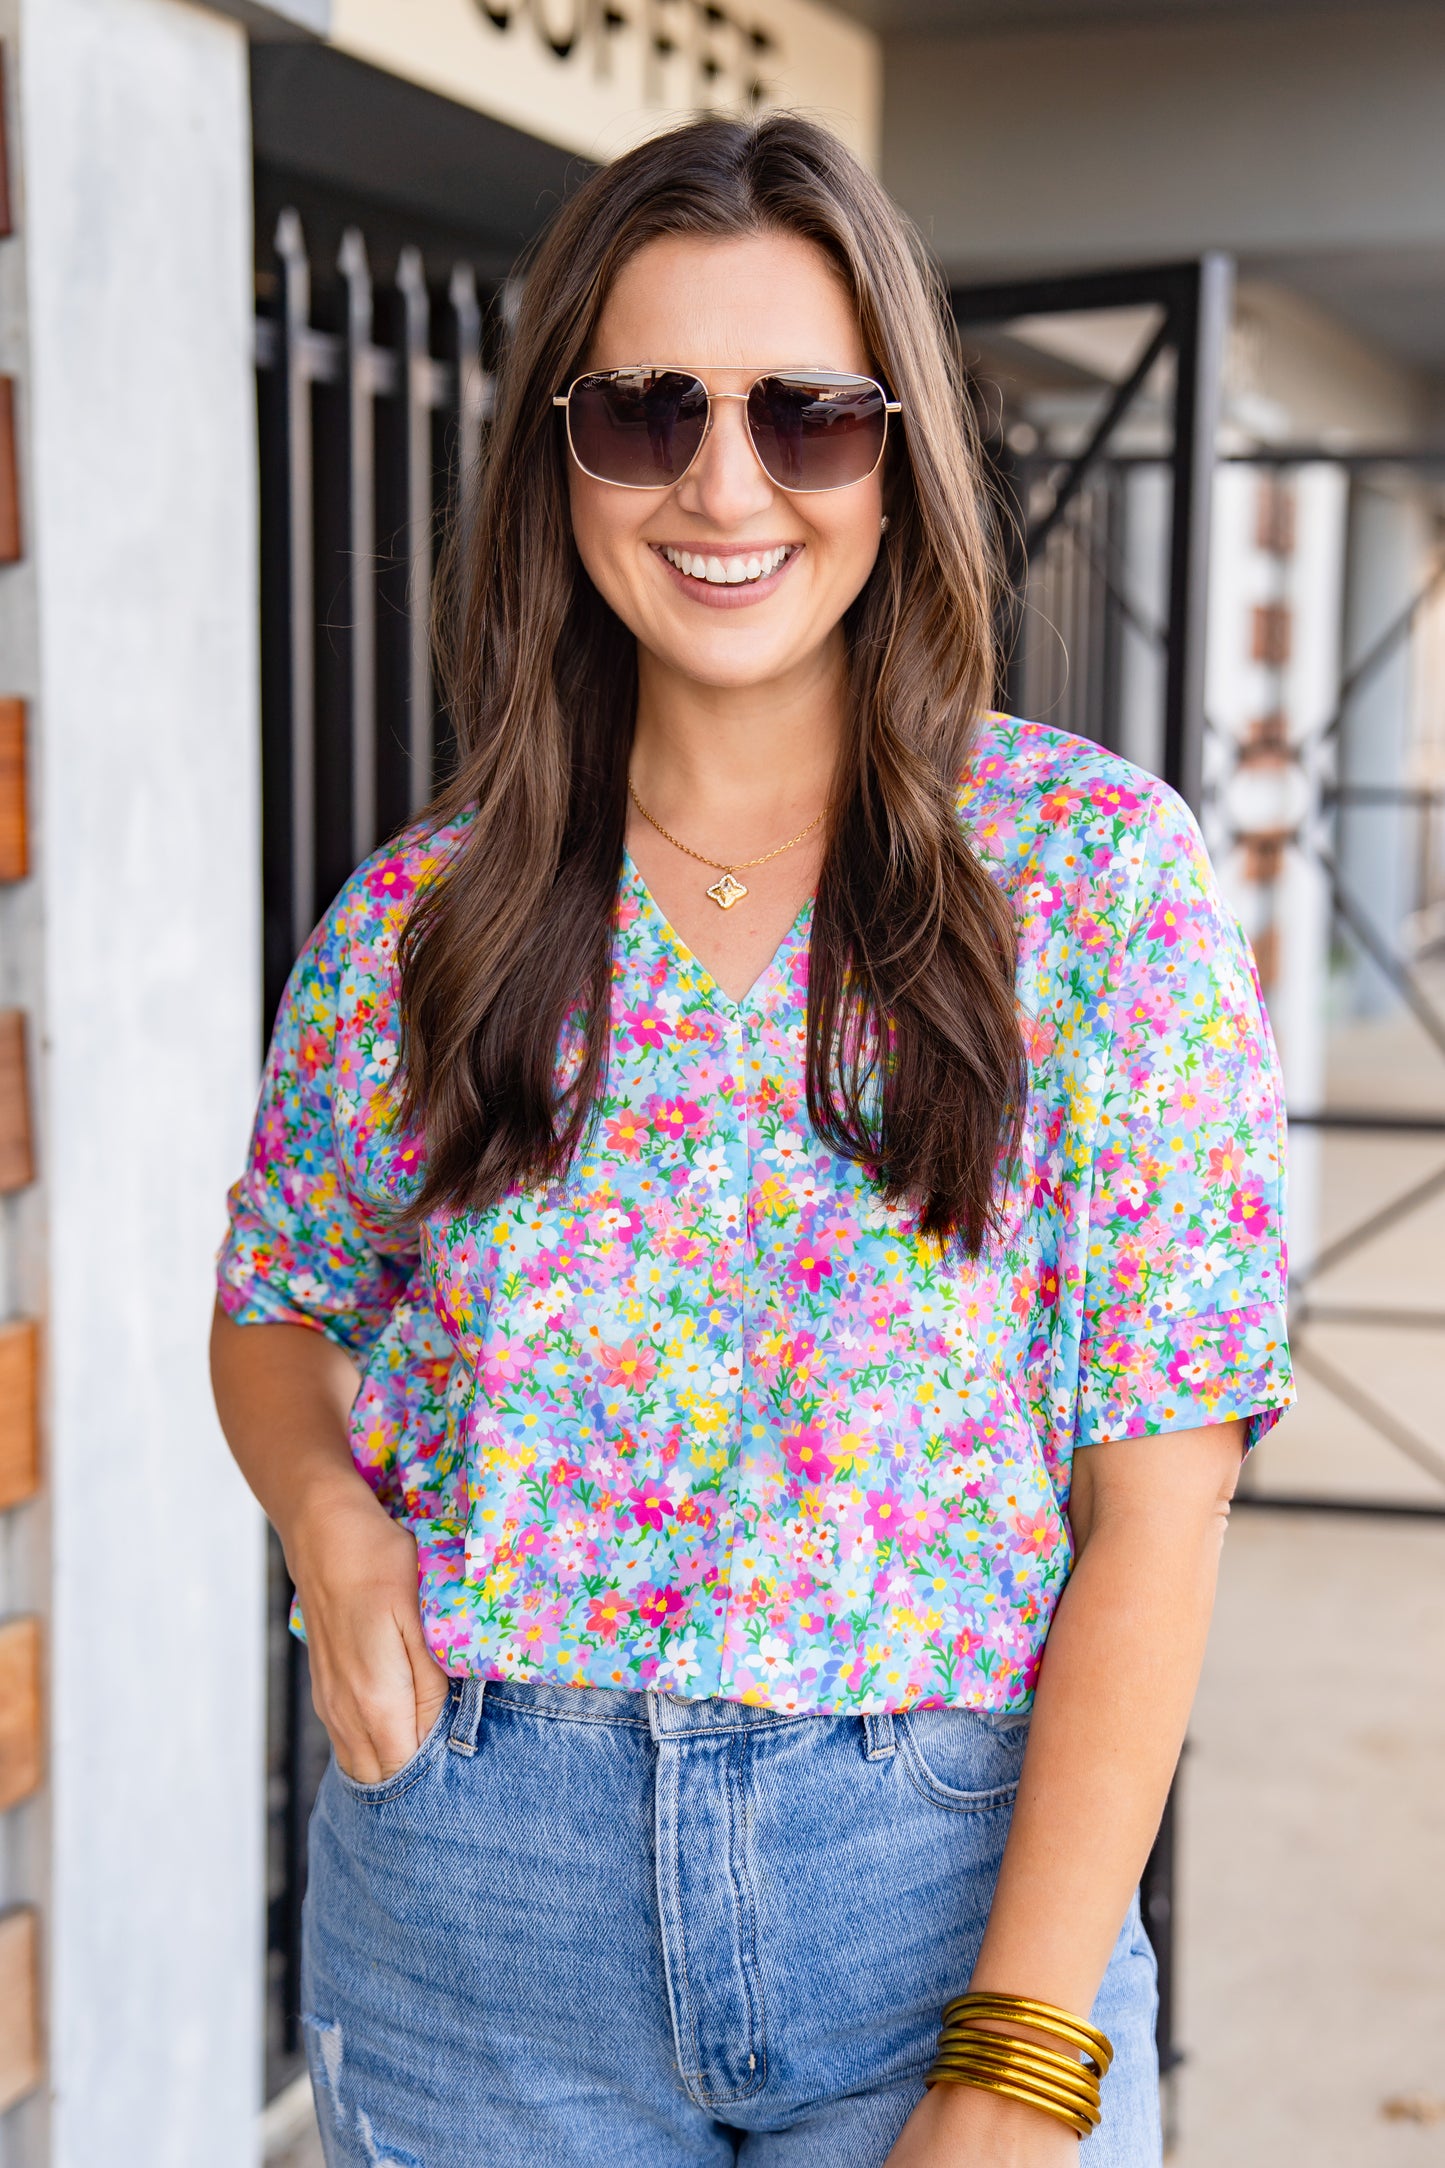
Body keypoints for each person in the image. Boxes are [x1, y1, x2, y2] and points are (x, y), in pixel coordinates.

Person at [211, 112, 1292, 2168]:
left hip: (942, 1887)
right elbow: (273, 1308)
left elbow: (1159, 1508)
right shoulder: (427, 921)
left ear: (901, 453)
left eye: (810, 415)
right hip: (477, 1907)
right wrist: (329, 1527)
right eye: (647, 412)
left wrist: (1017, 2062)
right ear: (559, 451)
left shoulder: (1090, 886)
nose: (726, 483)